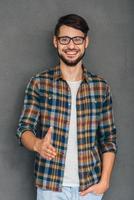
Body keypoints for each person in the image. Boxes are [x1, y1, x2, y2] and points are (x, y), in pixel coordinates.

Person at [16, 14, 117, 200]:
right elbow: (24, 129)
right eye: (65, 39)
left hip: (90, 188)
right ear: (55, 42)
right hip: (50, 186)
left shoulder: (100, 87)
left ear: (86, 42)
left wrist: (105, 181)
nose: (71, 46)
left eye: (77, 39)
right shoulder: (39, 83)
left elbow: (108, 138)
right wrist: (38, 144)